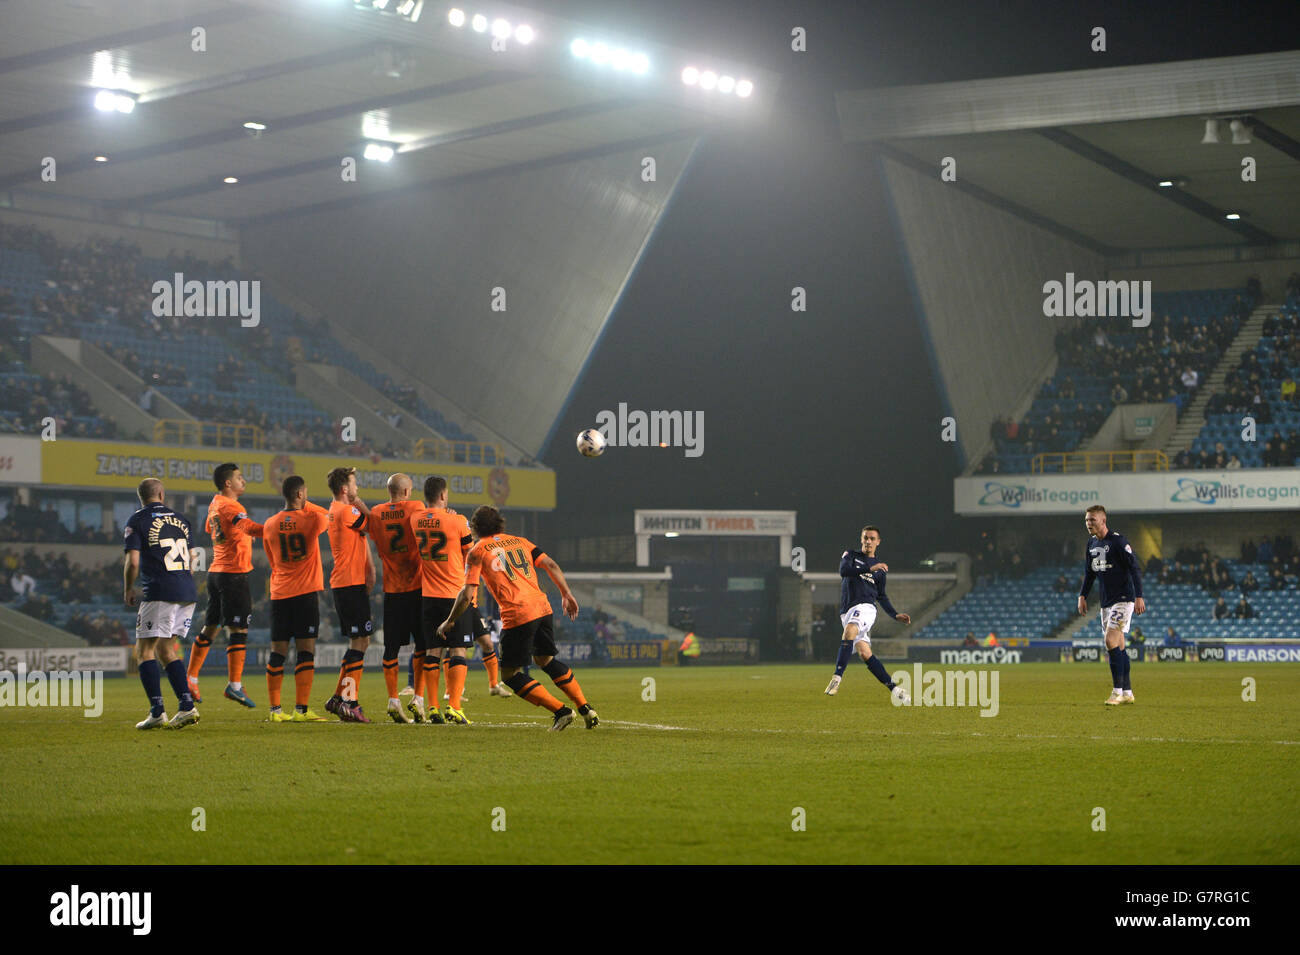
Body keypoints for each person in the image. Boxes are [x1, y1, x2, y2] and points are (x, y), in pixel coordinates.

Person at [439, 505, 597, 731]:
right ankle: (585, 708)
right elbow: (550, 564)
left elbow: (467, 594)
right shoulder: (521, 541)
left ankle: (562, 712)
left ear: (474, 527)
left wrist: (450, 620)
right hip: (543, 608)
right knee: (546, 660)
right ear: (499, 523)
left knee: (510, 675)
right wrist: (566, 593)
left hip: (518, 613)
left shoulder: (477, 551)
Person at [123, 478, 199, 729]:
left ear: (141, 497)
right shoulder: (182, 520)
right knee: (166, 649)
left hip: (160, 590)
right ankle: (187, 706)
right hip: (187, 589)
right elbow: (192, 557)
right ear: (162, 495)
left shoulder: (138, 520)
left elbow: (133, 562)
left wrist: (128, 588)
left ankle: (157, 711)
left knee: (144, 650)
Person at [187, 463, 263, 708]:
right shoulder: (231, 506)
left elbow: (212, 529)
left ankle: (190, 678)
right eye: (240, 477)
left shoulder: (214, 504)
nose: (244, 481)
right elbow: (248, 527)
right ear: (228, 483)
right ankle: (235, 686)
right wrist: (275, 529)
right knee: (238, 630)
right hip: (233, 574)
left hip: (216, 572)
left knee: (211, 627)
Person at [261, 475, 331, 722]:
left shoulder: (269, 524)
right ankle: (301, 710)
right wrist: (307, 504)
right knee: (305, 651)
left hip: (280, 592)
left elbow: (271, 560)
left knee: (277, 651)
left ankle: (275, 711)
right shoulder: (311, 519)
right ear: (300, 494)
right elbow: (329, 515)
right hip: (305, 594)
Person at [409, 476, 475, 724]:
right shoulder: (457, 521)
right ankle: (455, 706)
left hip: (429, 595)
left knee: (433, 651)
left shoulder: (415, 519)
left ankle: (433, 707)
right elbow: (471, 552)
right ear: (444, 495)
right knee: (458, 649)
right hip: (454, 595)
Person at [824, 525, 911, 700]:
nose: (868, 541)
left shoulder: (880, 570)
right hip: (847, 610)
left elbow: (881, 596)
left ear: (878, 542)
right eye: (865, 538)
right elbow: (843, 571)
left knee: (850, 631)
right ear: (861, 539)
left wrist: (894, 614)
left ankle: (836, 678)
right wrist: (868, 569)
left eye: (872, 538)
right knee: (865, 653)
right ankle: (895, 689)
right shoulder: (851, 555)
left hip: (866, 608)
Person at [365, 473, 424, 723]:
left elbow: (369, 527)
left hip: (392, 589)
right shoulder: (416, 507)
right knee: (423, 644)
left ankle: (392, 699)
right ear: (407, 491)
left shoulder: (377, 513)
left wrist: (357, 502)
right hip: (418, 587)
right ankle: (418, 699)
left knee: (391, 648)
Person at [1077, 505, 1145, 705]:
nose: (1089, 524)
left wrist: (1139, 596)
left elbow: (1134, 568)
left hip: (1124, 598)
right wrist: (1082, 595)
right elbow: (1089, 574)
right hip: (1106, 602)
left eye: (1093, 520)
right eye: (1087, 520)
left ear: (1103, 521)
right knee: (1119, 646)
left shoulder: (1118, 541)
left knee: (1110, 641)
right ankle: (1127, 691)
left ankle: (1116, 692)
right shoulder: (1090, 545)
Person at [323, 466, 374, 724]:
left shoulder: (335, 510)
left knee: (359, 641)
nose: (357, 488)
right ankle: (350, 701)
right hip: (350, 584)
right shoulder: (347, 510)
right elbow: (374, 525)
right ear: (345, 489)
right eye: (354, 484)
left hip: (345, 583)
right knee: (360, 641)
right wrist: (362, 504)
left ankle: (337, 698)